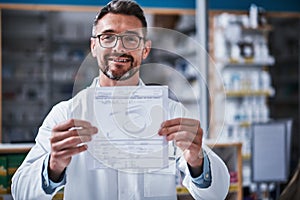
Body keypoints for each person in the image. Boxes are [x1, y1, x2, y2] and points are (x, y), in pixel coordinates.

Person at [11, 0, 229, 199]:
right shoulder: (66, 114)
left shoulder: (170, 113)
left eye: (131, 38)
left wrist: (197, 160)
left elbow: (217, 193)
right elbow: (20, 192)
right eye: (108, 37)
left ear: (145, 50)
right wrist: (53, 166)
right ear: (94, 47)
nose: (119, 47)